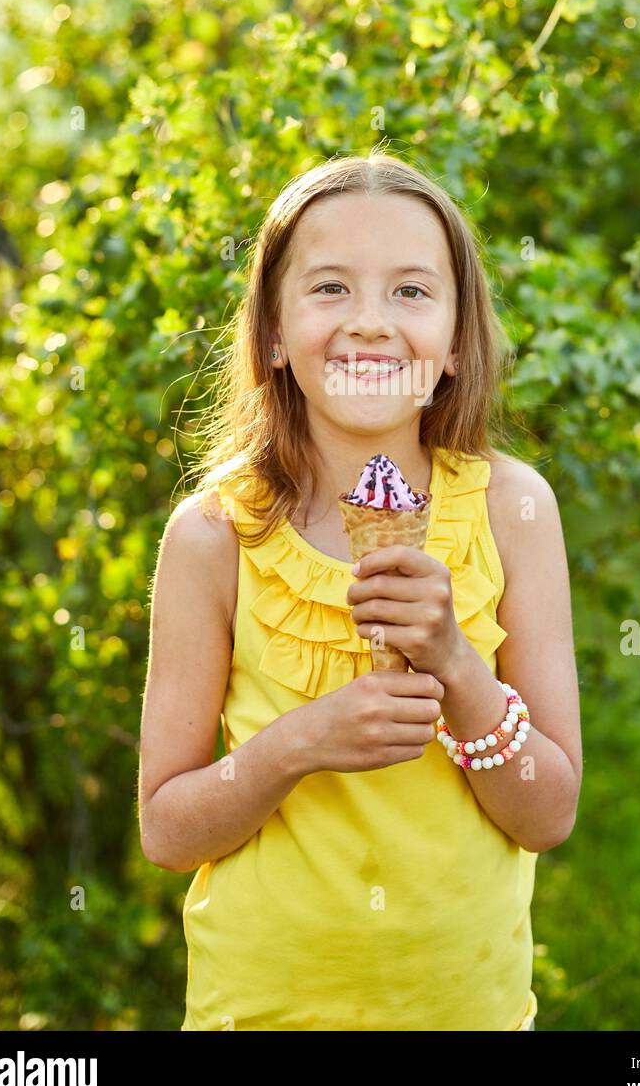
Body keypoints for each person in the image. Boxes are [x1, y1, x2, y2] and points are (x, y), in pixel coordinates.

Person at [138, 150, 582, 1031]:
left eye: (412, 292)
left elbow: (547, 813)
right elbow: (167, 831)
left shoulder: (512, 509)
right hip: (261, 1013)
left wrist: (457, 663)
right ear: (271, 331)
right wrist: (296, 744)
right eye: (330, 288)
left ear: (457, 339)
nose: (372, 324)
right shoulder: (214, 535)